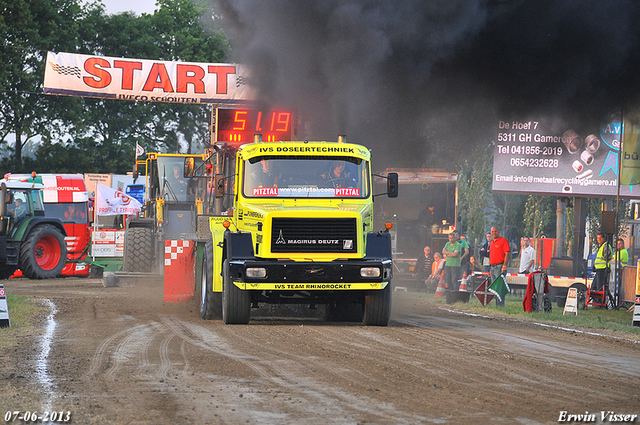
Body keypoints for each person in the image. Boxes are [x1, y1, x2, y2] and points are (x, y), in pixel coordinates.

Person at [489, 226, 510, 307]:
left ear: (499, 231)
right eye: (492, 231)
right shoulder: (491, 243)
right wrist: (490, 269)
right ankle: (497, 304)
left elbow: (507, 253)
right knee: (495, 287)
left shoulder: (503, 241)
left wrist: (504, 265)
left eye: (495, 231)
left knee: (500, 286)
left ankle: (501, 305)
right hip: (493, 267)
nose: (494, 233)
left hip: (499, 266)